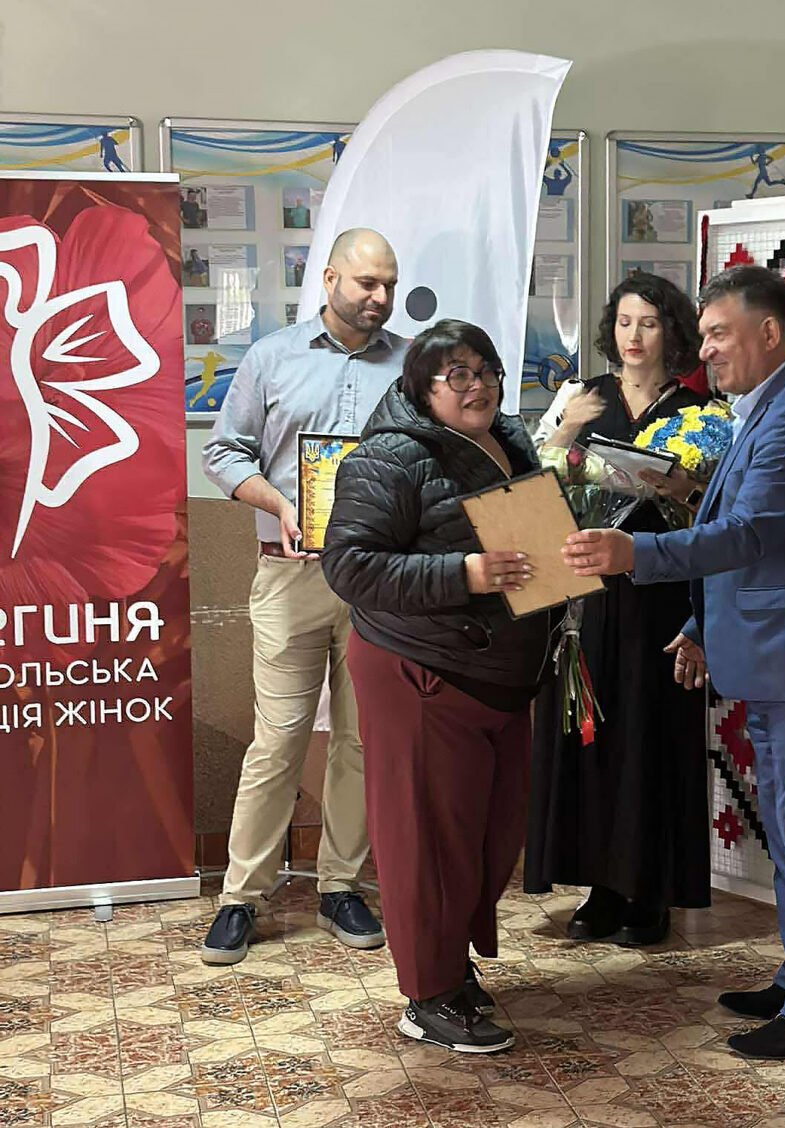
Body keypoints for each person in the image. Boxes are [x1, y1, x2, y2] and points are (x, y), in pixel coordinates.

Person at [562, 264, 785, 1060]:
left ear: (769, 332)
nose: (703, 351)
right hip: (777, 663)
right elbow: (754, 544)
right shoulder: (763, 409)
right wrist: (701, 624)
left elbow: (746, 534)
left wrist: (633, 553)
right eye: (702, 336)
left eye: (716, 334)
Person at [321, 320, 552, 1054]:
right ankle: (427, 996)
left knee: (485, 838)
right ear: (422, 388)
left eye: (485, 370)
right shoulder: (389, 455)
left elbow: (532, 545)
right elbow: (349, 566)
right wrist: (465, 574)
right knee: (426, 841)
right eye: (457, 374)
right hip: (420, 670)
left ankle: (450, 965)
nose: (477, 385)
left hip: (498, 675)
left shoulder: (509, 440)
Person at [199, 228, 407, 965]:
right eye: (366, 283)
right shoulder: (271, 358)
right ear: (328, 280)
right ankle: (241, 896)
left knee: (361, 739)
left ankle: (340, 886)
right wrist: (279, 503)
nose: (379, 297)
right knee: (279, 737)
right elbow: (223, 451)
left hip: (380, 584)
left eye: (388, 285)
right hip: (290, 576)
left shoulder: (412, 365)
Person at [527, 272, 710, 946]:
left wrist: (680, 484)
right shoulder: (581, 395)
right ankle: (599, 886)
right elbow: (535, 480)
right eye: (626, 322)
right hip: (586, 593)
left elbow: (713, 508)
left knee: (651, 736)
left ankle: (650, 891)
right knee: (591, 734)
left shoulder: (700, 410)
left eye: (650, 323)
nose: (635, 336)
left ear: (672, 332)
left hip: (660, 592)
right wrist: (567, 428)